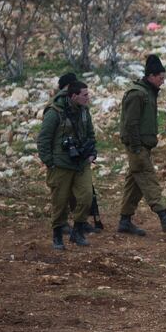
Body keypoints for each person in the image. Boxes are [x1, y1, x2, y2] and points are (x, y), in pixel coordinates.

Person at [117, 54, 166, 235]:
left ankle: (125, 221)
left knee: (134, 185)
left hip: (143, 146)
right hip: (137, 147)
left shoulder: (148, 92)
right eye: (161, 78)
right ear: (151, 76)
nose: (163, 82)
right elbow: (130, 123)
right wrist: (137, 147)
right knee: (148, 179)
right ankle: (164, 216)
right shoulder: (137, 94)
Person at [36, 79, 97, 250]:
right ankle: (57, 235)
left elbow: (91, 135)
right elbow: (43, 139)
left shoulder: (85, 112)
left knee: (86, 197)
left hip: (82, 163)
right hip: (61, 164)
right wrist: (50, 163)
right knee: (60, 202)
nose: (88, 98)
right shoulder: (54, 112)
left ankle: (77, 231)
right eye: (85, 95)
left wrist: (92, 153)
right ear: (74, 96)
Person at [55, 71, 105, 233]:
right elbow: (48, 137)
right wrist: (49, 159)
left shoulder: (83, 109)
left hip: (80, 157)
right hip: (62, 159)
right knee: (62, 194)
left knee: (83, 192)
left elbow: (89, 133)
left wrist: (91, 151)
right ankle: (61, 224)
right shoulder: (57, 108)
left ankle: (80, 222)